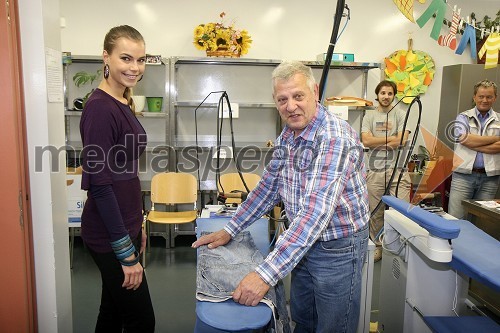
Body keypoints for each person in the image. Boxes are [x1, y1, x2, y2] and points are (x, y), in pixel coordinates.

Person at [192, 61, 369, 333]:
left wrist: (265, 275)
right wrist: (230, 228)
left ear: (315, 92)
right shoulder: (289, 134)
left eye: (298, 96)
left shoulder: (334, 137)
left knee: (333, 326)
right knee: (303, 318)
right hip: (303, 242)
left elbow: (315, 213)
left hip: (338, 248)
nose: (291, 106)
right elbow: (268, 188)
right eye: (282, 99)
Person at [79, 25, 155, 332]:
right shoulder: (100, 109)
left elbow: (125, 176)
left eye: (140, 59)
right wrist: (125, 251)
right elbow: (101, 184)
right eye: (126, 58)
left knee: (111, 311)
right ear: (106, 58)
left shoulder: (122, 101)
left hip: (124, 227)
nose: (135, 67)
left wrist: (137, 224)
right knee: (140, 321)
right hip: (110, 237)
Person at [361, 80, 411, 262]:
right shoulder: (369, 116)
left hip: (398, 169)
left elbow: (402, 141)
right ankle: (378, 246)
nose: (386, 96)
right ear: (377, 94)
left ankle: (400, 246)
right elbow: (366, 141)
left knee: (402, 210)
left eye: (390, 93)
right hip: (375, 170)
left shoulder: (401, 114)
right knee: (375, 211)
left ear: (394, 96)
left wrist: (379, 140)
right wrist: (392, 140)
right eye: (383, 93)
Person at [448, 79, 500, 219]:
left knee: (481, 221)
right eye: (481, 96)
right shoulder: (463, 117)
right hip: (463, 177)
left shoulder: (499, 120)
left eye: (489, 96)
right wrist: (495, 139)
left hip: (490, 179)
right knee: (456, 218)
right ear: (474, 97)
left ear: (495, 98)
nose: (484, 100)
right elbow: (463, 139)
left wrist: (475, 143)